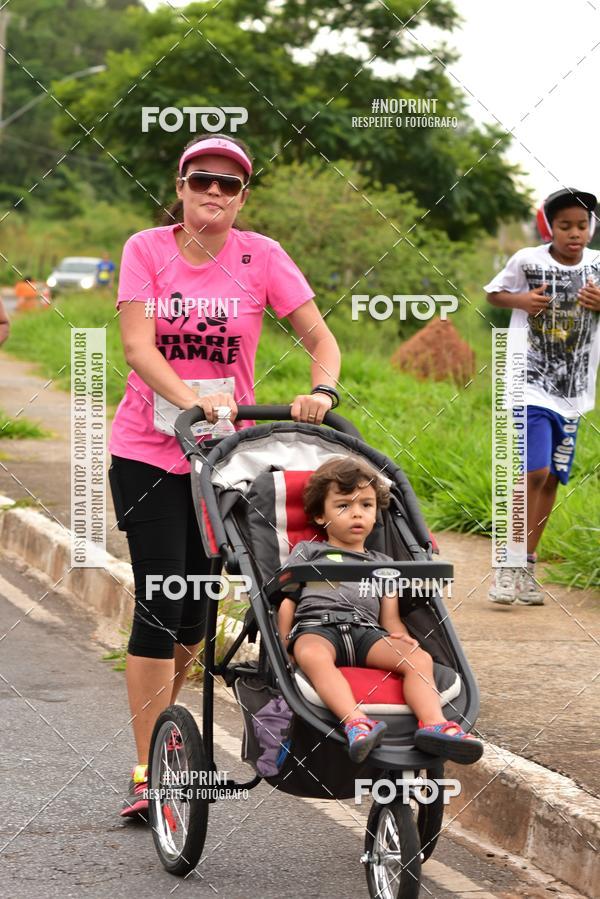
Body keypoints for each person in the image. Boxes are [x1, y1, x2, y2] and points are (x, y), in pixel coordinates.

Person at [108, 132, 341, 817]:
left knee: (194, 613)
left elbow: (322, 339)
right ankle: (149, 766)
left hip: (222, 463)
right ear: (179, 187)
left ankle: (168, 723)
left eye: (229, 184)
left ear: (243, 197)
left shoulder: (260, 256)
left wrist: (320, 392)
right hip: (148, 449)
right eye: (201, 180)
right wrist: (190, 398)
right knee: (158, 599)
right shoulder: (146, 249)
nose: (214, 192)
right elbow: (136, 344)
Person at [277, 458, 484, 765]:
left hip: (366, 632)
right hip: (317, 627)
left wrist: (399, 636)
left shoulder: (382, 563)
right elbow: (287, 598)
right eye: (343, 506)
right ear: (321, 516)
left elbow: (389, 618)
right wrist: (284, 642)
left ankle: (434, 724)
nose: (357, 513)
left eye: (366, 505)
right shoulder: (309, 552)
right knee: (313, 656)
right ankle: (357, 723)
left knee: (419, 659)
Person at [485, 188, 600, 605]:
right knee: (530, 473)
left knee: (551, 478)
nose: (574, 234)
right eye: (565, 225)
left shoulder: (598, 266)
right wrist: (523, 300)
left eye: (582, 225)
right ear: (551, 226)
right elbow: (493, 294)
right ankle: (506, 562)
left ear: (592, 227)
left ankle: (528, 565)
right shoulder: (528, 261)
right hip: (528, 383)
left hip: (574, 392)